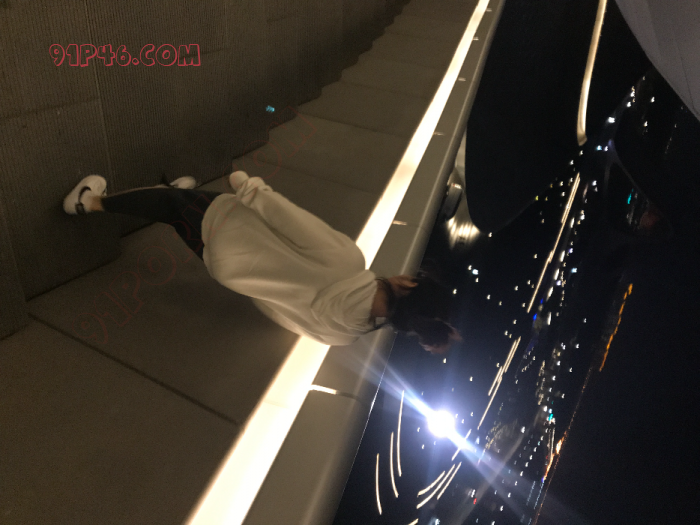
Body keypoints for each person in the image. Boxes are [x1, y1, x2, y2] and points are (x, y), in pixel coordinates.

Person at [63, 171, 463, 354]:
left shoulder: (350, 263)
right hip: (230, 271)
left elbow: (291, 219)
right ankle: (171, 193)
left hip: (231, 227)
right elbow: (277, 313)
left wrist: (248, 186)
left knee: (173, 205)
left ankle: (89, 202)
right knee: (179, 213)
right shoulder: (344, 335)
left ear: (408, 285)